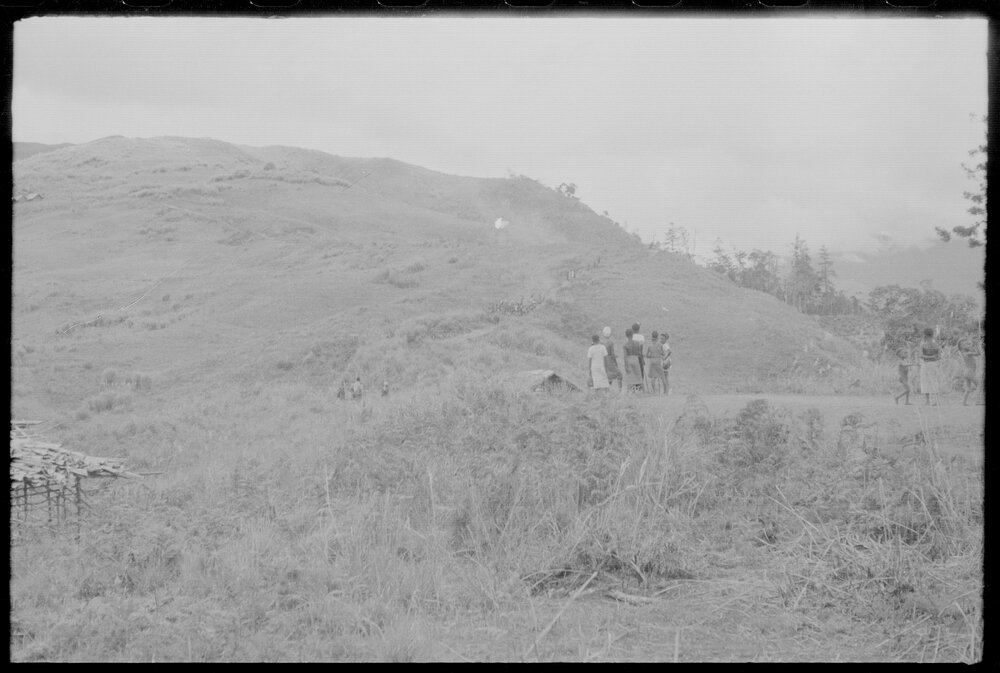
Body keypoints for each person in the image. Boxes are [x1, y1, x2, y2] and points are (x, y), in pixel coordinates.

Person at [918, 328, 941, 406]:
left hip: (925, 364)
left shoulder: (923, 344)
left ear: (924, 334)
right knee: (934, 381)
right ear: (932, 334)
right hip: (933, 364)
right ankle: (936, 401)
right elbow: (939, 357)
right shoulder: (936, 344)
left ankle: (927, 401)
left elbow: (921, 355)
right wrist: (932, 357)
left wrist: (927, 357)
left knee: (925, 381)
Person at [957, 337, 980, 406]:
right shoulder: (968, 353)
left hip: (966, 372)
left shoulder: (963, 352)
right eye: (966, 344)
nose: (968, 345)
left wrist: (972, 346)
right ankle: (978, 401)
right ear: (962, 347)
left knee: (968, 389)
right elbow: (978, 353)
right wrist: (975, 345)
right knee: (979, 385)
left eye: (968, 344)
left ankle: (963, 402)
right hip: (970, 372)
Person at [622, 328, 645, 393]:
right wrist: (642, 360)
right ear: (632, 334)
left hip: (629, 360)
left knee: (630, 377)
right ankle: (643, 391)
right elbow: (639, 353)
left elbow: (625, 356)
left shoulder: (625, 345)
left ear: (626, 335)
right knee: (639, 376)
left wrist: (626, 366)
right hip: (636, 359)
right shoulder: (637, 343)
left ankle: (629, 391)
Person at [645, 330, 667, 395]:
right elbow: (663, 353)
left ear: (652, 336)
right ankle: (665, 392)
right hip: (658, 361)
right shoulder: (660, 345)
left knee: (653, 377)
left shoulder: (649, 345)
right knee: (662, 376)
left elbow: (647, 356)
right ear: (657, 337)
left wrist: (652, 356)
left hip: (652, 361)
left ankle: (654, 392)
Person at [602, 326, 622, 391]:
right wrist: (616, 363)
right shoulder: (610, 342)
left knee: (608, 376)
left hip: (604, 361)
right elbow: (612, 354)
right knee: (619, 374)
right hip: (610, 361)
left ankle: (607, 391)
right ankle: (620, 390)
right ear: (610, 334)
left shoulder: (602, 343)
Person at [631, 323, 645, 388]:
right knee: (640, 371)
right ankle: (640, 386)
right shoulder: (641, 337)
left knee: (634, 371)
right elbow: (641, 348)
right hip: (639, 356)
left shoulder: (631, 337)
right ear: (639, 329)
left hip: (632, 356)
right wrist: (642, 358)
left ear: (632, 329)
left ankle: (634, 387)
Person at [660, 332, 672, 397]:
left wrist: (665, 358)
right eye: (660, 338)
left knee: (665, 377)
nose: (660, 340)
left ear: (665, 339)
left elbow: (670, 351)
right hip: (666, 362)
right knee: (665, 377)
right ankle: (666, 390)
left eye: (662, 339)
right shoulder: (664, 344)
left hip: (666, 362)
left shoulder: (665, 345)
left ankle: (667, 390)